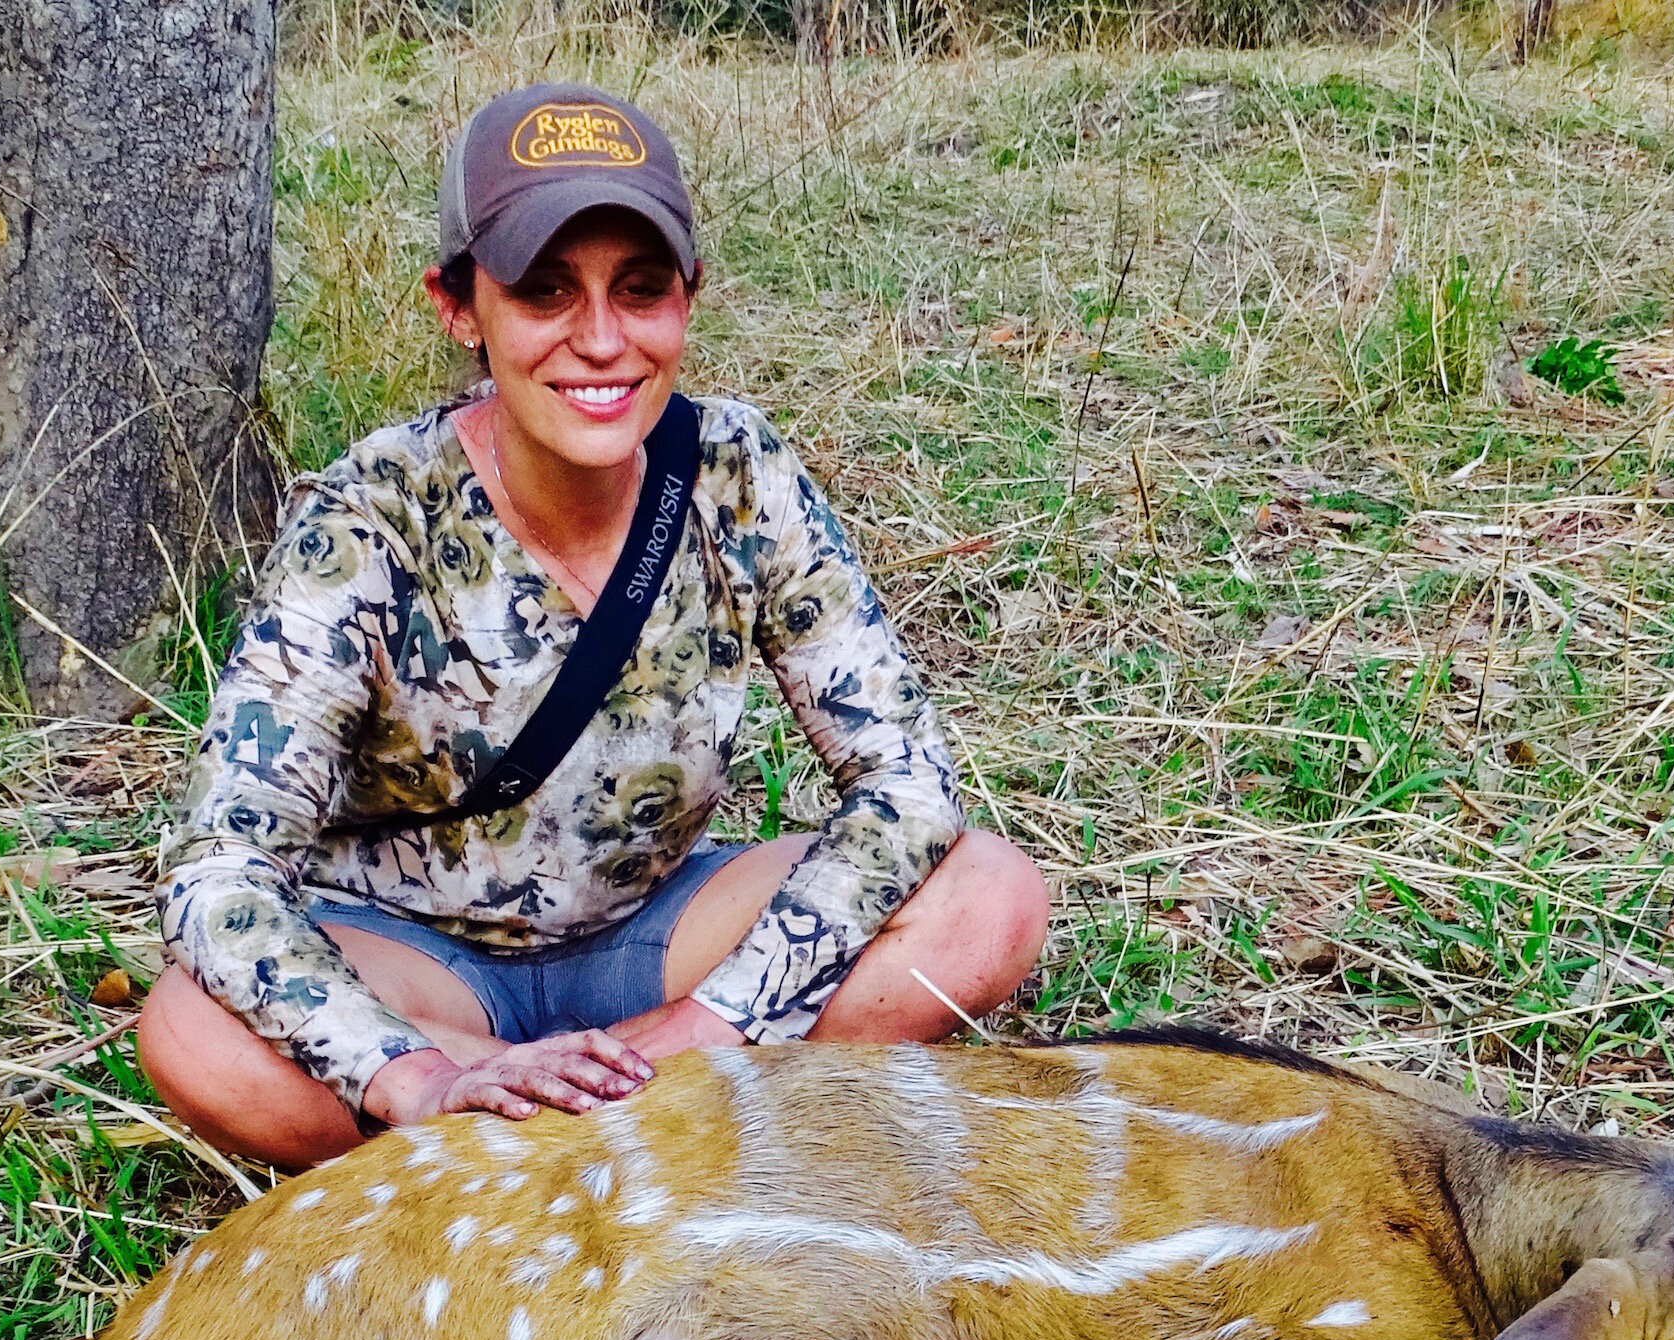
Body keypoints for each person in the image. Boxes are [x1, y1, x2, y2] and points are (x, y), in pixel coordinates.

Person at [138, 84, 1047, 1169]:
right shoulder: (371, 514)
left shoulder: (736, 474)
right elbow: (217, 870)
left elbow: (906, 783)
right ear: (460, 306)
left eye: (641, 289)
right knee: (192, 1034)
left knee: (987, 900)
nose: (602, 342)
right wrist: (423, 1073)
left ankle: (597, 1119)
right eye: (545, 291)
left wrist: (704, 1024)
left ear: (689, 298)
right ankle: (573, 1129)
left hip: (657, 936)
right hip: (419, 968)